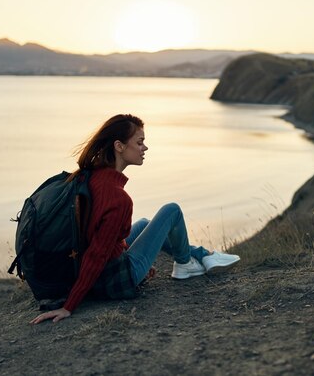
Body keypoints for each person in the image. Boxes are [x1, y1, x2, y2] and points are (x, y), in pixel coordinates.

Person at [30, 114, 240, 324]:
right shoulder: (118, 198)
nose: (145, 148)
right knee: (171, 210)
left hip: (103, 269)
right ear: (119, 146)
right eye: (140, 142)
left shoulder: (92, 176)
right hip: (116, 280)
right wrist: (69, 306)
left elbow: (101, 237)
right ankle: (185, 263)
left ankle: (201, 255)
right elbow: (97, 254)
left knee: (144, 224)